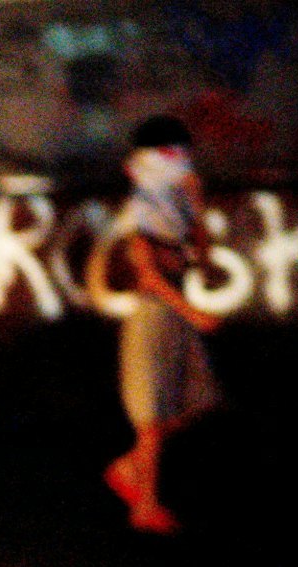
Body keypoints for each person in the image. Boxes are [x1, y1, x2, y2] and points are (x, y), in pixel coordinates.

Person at [94, 116, 221, 535]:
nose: (182, 161)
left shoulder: (176, 206)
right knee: (150, 417)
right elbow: (148, 276)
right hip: (152, 317)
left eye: (183, 151)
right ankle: (144, 506)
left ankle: (128, 467)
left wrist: (198, 208)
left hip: (175, 315)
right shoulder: (141, 208)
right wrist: (193, 313)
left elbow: (201, 260)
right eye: (171, 152)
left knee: (196, 402)